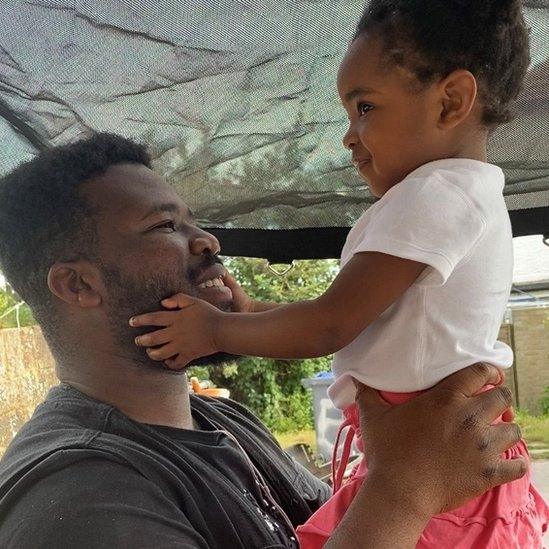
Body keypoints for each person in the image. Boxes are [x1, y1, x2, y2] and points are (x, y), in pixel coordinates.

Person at [129, 0, 549, 547]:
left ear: (451, 101)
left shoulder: (436, 195)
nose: (350, 136)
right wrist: (256, 312)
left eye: (366, 108)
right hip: (435, 441)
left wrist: (215, 330)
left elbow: (329, 325)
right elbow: (358, 320)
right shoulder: (460, 195)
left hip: (430, 450)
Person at [0, 134, 529, 548]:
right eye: (164, 226)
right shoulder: (80, 494)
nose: (208, 241)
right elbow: (393, 504)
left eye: (194, 222)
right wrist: (407, 489)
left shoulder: (228, 423)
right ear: (77, 284)